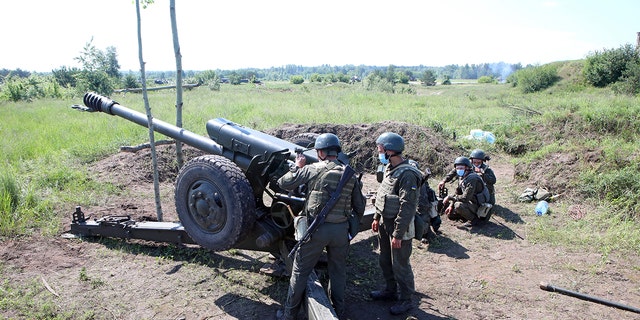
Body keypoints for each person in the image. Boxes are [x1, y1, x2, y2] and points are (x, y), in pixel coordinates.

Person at [276, 133, 366, 320]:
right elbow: (359, 206)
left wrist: (297, 167)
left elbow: (283, 183)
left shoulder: (313, 168)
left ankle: (288, 315)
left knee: (300, 271)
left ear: (321, 152)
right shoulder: (349, 174)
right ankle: (339, 310)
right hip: (340, 231)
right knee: (338, 271)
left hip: (316, 231)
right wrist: (350, 230)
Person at [370, 132, 421, 315]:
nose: (378, 152)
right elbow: (383, 194)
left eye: (380, 149)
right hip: (385, 222)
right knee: (385, 260)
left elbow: (407, 207)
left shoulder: (407, 175)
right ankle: (390, 290)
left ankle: (406, 300)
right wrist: (376, 217)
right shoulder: (389, 168)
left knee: (400, 264)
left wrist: (398, 234)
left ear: (390, 151)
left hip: (400, 227)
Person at [441, 156, 489, 227]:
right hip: (471, 200)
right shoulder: (462, 177)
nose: (459, 170)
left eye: (461, 168)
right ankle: (465, 215)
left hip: (478, 204)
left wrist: (450, 197)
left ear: (467, 168)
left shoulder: (472, 179)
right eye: (457, 168)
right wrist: (451, 205)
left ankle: (474, 220)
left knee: (458, 205)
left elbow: (465, 198)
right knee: (451, 215)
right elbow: (458, 192)